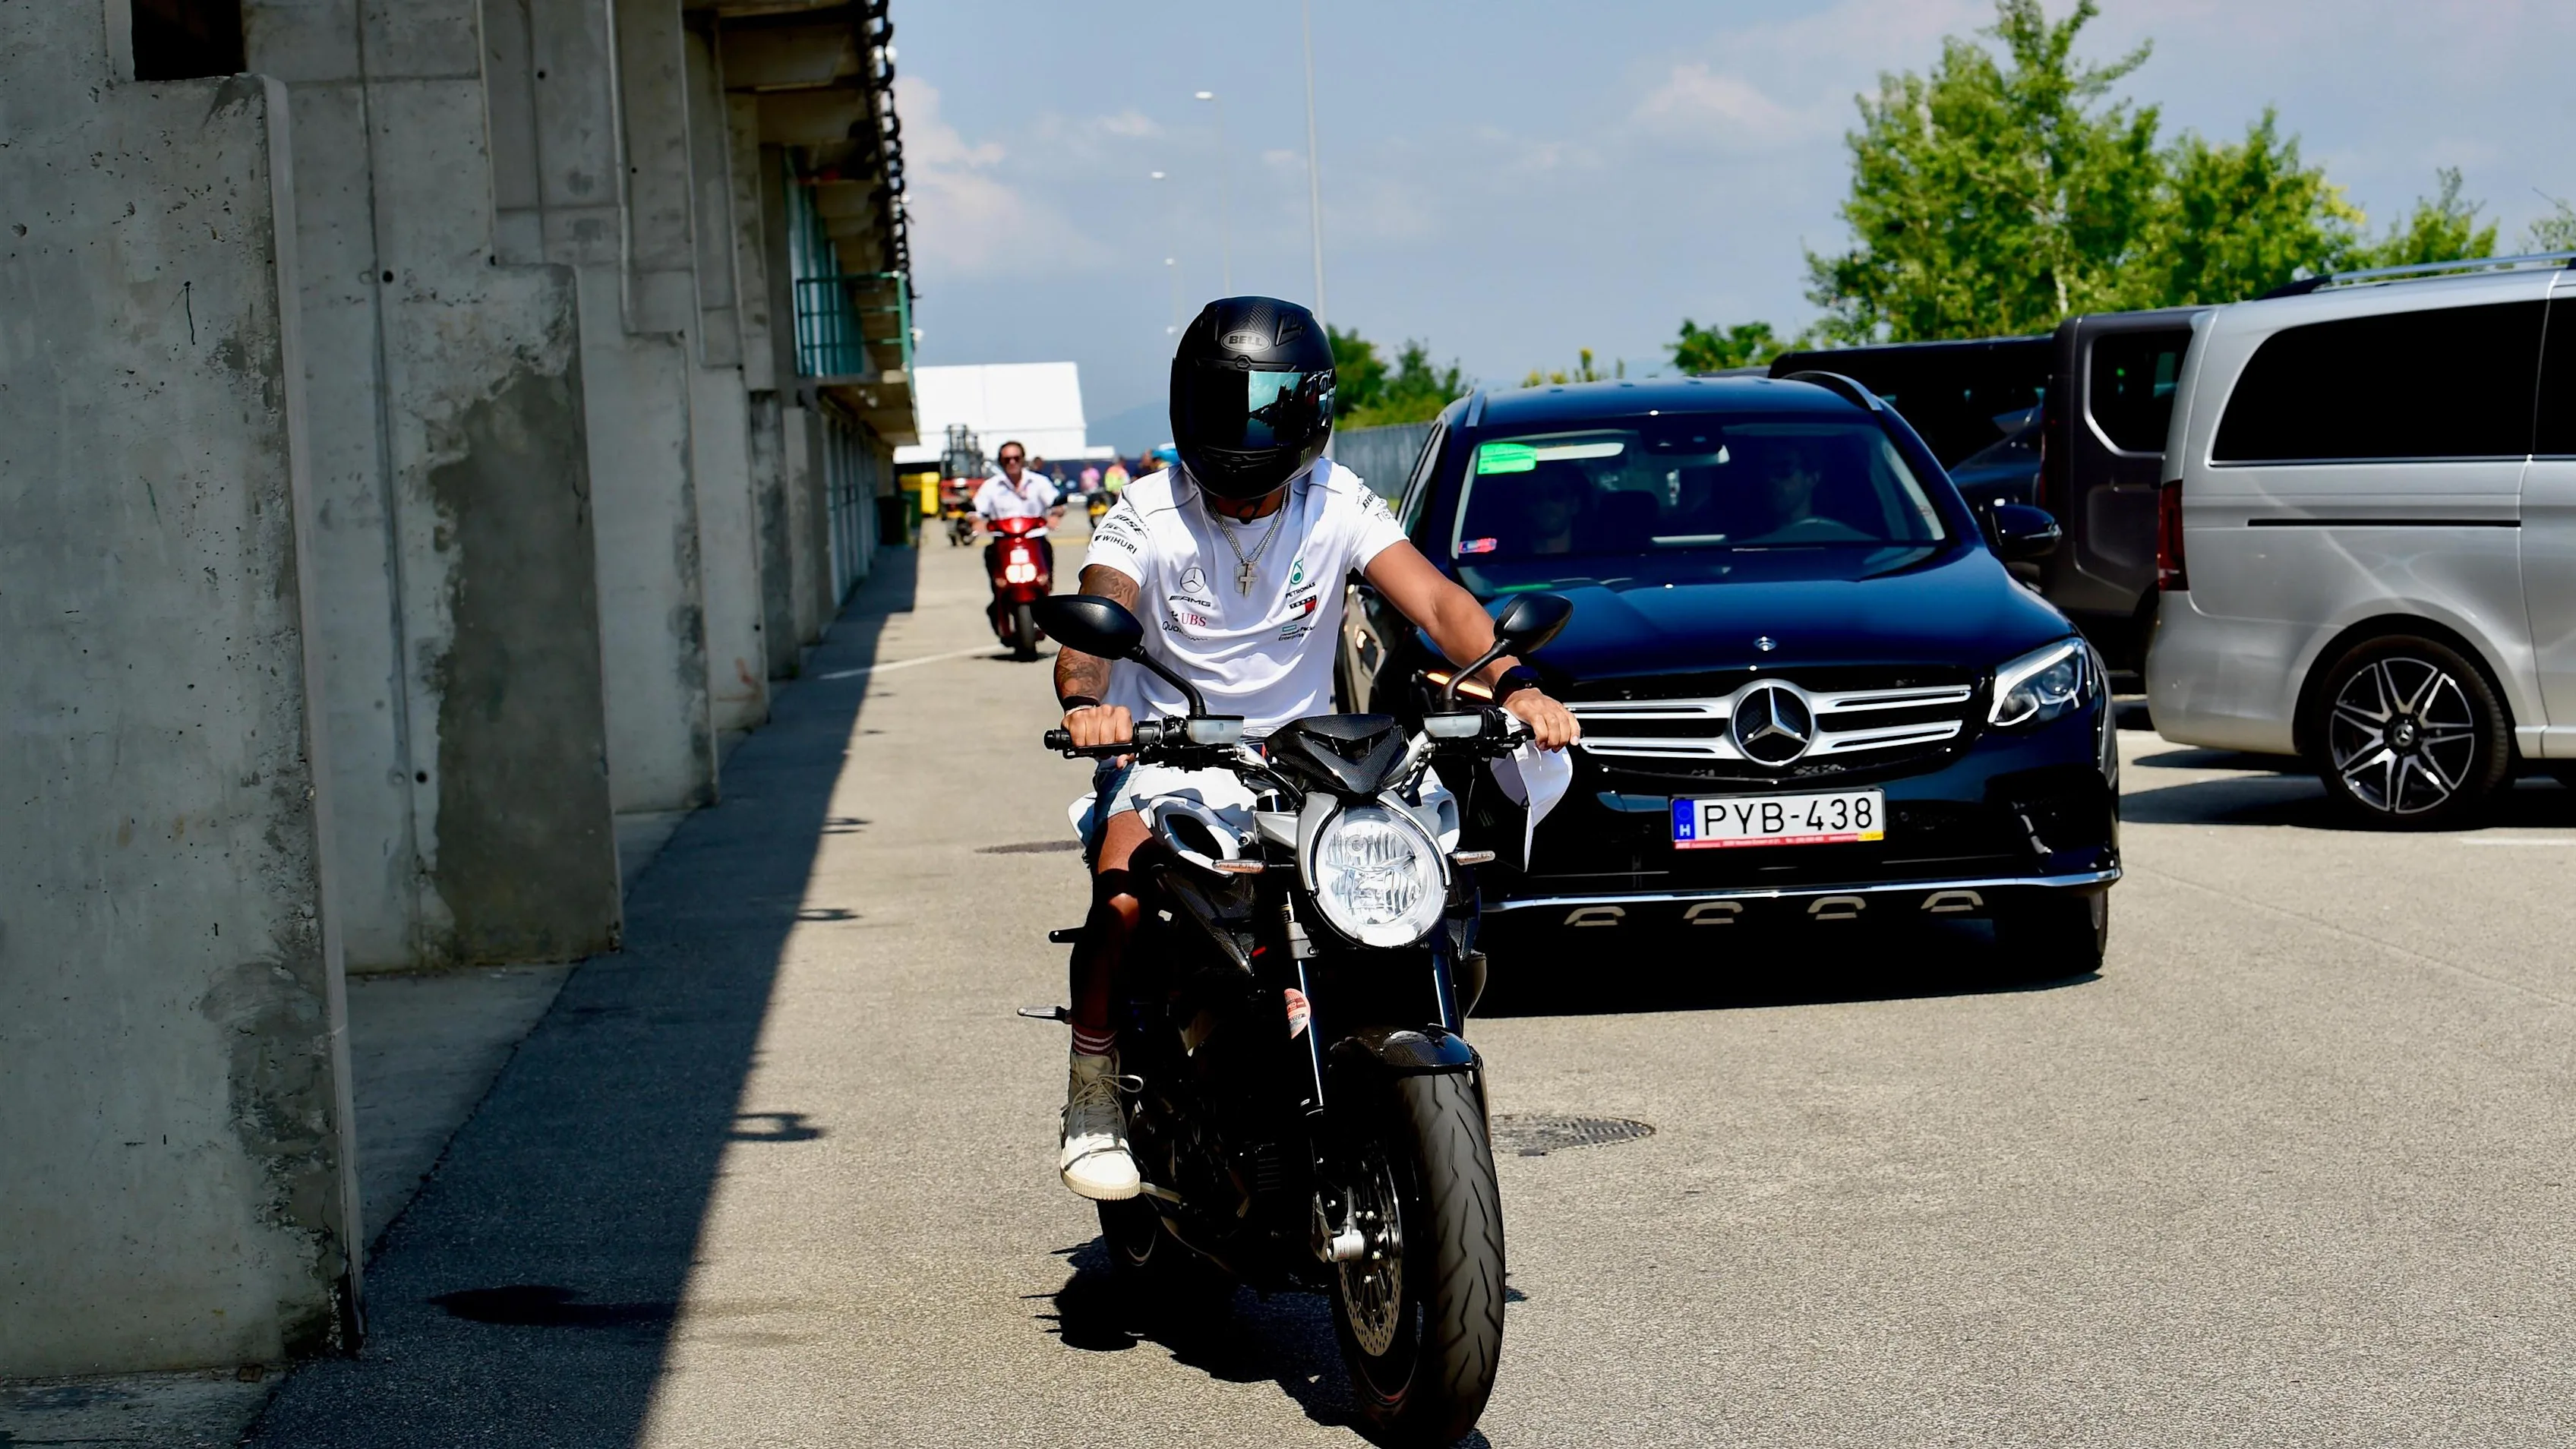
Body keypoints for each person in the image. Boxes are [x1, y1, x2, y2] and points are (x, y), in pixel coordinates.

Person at [1049, 298, 1581, 1200]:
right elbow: (1096, 622)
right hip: (1172, 751)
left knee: (1429, 880)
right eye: (1231, 405)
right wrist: (1086, 704)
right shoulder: (1146, 509)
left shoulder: (1334, 496)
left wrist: (1514, 679)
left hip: (1314, 760)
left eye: (1263, 405)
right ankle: (1091, 1086)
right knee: (1124, 898)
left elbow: (1439, 604)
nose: (1246, 432)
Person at [972, 439, 1066, 580]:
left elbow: (1056, 503)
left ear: (1023, 460)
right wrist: (975, 521)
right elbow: (976, 509)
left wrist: (1055, 515)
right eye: (1007, 459)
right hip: (1002, 542)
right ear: (1000, 462)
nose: (1012, 462)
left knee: (1045, 561)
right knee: (990, 556)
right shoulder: (991, 486)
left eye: (1016, 458)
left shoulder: (1039, 482)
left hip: (1035, 539)